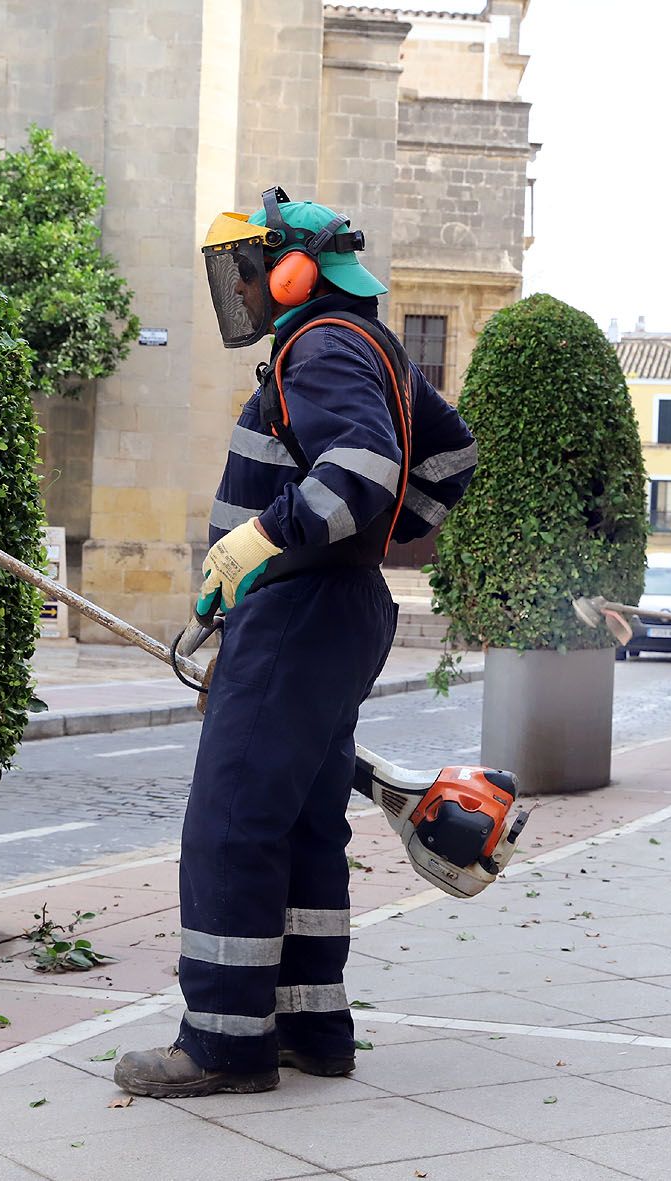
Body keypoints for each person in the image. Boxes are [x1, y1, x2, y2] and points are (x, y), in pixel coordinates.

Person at [114, 187, 476, 1097]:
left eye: (244, 272)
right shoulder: (370, 346)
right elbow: (449, 455)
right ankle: (313, 1025)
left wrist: (263, 541)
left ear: (290, 271)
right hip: (332, 607)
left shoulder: (319, 347)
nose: (239, 290)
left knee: (233, 821)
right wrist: (377, 539)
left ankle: (225, 1042)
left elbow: (359, 470)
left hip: (300, 612)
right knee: (307, 820)